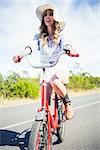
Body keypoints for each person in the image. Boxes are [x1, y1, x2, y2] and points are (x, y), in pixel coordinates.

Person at [14, 3, 78, 120]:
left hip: (59, 68)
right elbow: (31, 47)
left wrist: (70, 50)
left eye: (51, 14)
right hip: (46, 70)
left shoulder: (61, 34)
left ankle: (67, 104)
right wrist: (21, 55)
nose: (48, 17)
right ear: (43, 19)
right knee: (45, 100)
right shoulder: (39, 36)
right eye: (45, 15)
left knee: (55, 82)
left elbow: (67, 44)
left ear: (55, 18)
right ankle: (46, 123)